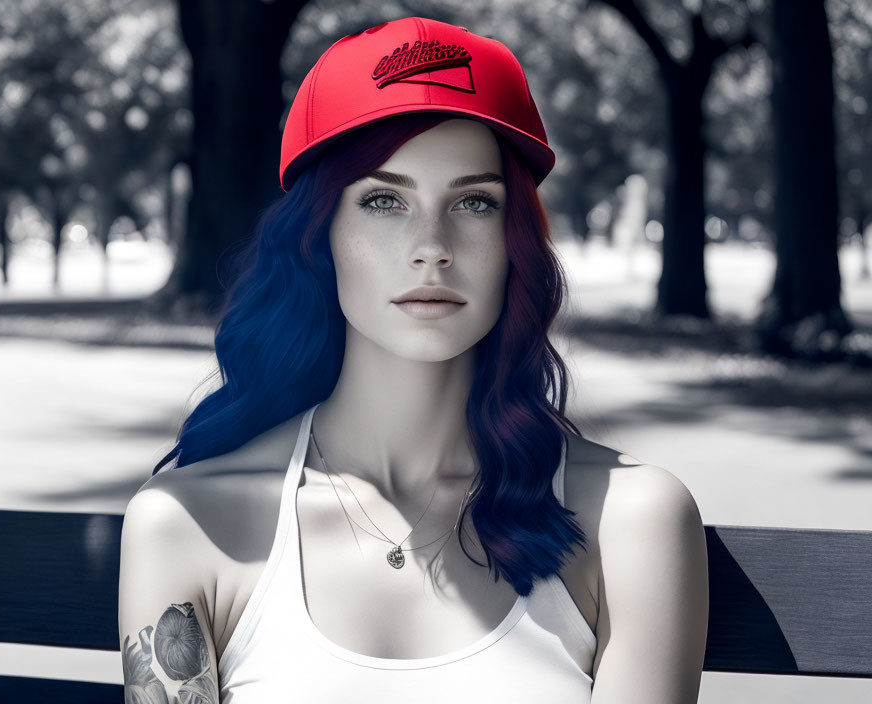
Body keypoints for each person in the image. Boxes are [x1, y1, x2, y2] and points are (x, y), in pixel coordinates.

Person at [118, 16, 708, 704]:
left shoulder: (634, 521)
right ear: (318, 238)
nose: (433, 245)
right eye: (384, 200)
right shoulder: (186, 526)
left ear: (514, 239)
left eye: (474, 202)